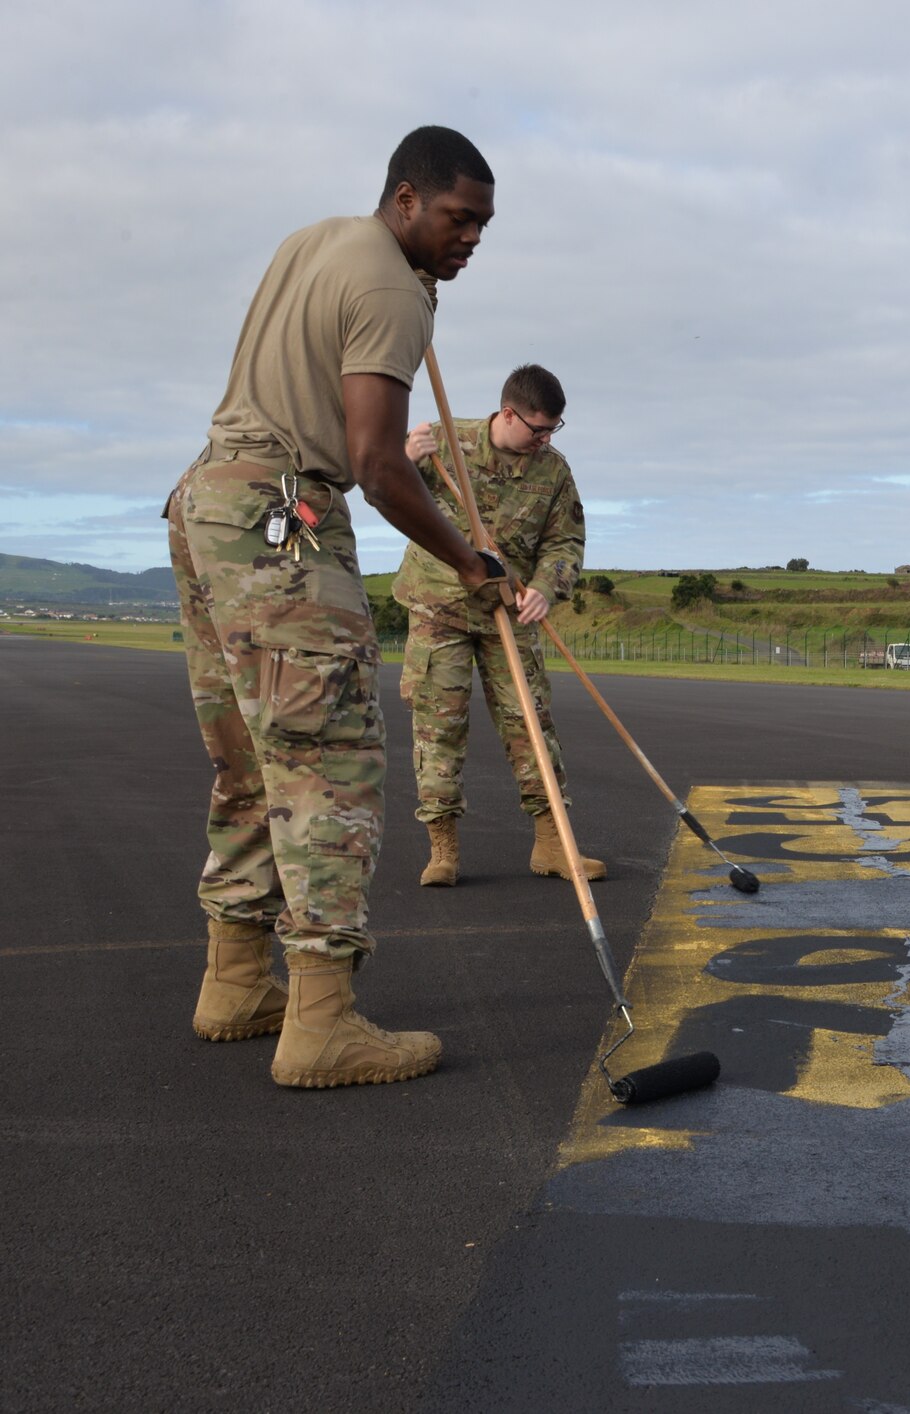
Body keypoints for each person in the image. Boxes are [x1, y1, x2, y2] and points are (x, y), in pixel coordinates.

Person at [165, 126, 509, 1089]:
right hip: (284, 516)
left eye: (483, 225)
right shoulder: (393, 289)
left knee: (248, 757)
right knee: (329, 766)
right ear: (407, 198)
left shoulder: (317, 239)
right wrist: (470, 562)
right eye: (457, 218)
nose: (471, 238)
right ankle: (322, 1022)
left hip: (205, 501)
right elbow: (379, 465)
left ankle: (234, 985)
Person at [392, 364, 603, 886]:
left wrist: (547, 589)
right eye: (538, 429)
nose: (546, 439)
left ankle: (553, 844)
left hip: (509, 610)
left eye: (554, 429)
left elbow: (566, 542)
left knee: (530, 726)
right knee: (438, 730)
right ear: (508, 414)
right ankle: (442, 850)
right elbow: (389, 496)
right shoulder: (442, 442)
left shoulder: (553, 471)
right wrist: (404, 462)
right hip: (439, 607)